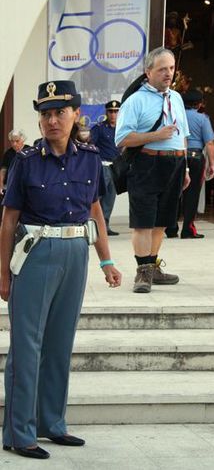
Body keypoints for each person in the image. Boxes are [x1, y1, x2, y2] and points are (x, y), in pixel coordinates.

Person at [0, 80, 121, 459]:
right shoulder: (26, 161)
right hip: (36, 253)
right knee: (27, 345)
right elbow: (8, 219)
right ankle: (20, 433)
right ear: (39, 121)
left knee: (59, 344)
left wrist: (106, 259)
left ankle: (52, 423)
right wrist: (2, 272)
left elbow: (95, 210)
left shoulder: (89, 157)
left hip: (75, 252)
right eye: (45, 114)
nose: (52, 120)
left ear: (76, 115)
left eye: (59, 113)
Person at [115, 46, 190, 293]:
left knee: (162, 221)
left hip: (175, 164)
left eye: (171, 68)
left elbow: (183, 136)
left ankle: (153, 265)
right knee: (143, 222)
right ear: (148, 72)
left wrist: (186, 168)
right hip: (147, 164)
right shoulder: (135, 100)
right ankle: (142, 271)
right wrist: (156, 135)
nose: (168, 74)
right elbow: (122, 139)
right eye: (162, 69)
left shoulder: (176, 98)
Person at [166, 89, 214, 238]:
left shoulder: (175, 116)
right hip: (195, 157)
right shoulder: (202, 118)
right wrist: (212, 163)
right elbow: (210, 143)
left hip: (177, 156)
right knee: (192, 194)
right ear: (199, 104)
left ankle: (171, 227)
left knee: (175, 192)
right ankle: (188, 228)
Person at [90, 100, 121, 235]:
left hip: (116, 167)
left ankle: (105, 227)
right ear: (106, 112)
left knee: (110, 198)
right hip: (102, 167)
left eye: (116, 111)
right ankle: (94, 227)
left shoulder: (123, 128)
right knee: (98, 198)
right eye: (111, 111)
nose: (113, 114)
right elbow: (91, 146)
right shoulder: (99, 128)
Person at [0, 129, 30, 193]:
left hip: (25, 186)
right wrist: (1, 185)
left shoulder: (30, 151)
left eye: (17, 141)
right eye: (12, 141)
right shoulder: (8, 153)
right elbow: (3, 170)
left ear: (22, 140)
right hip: (10, 186)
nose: (14, 144)